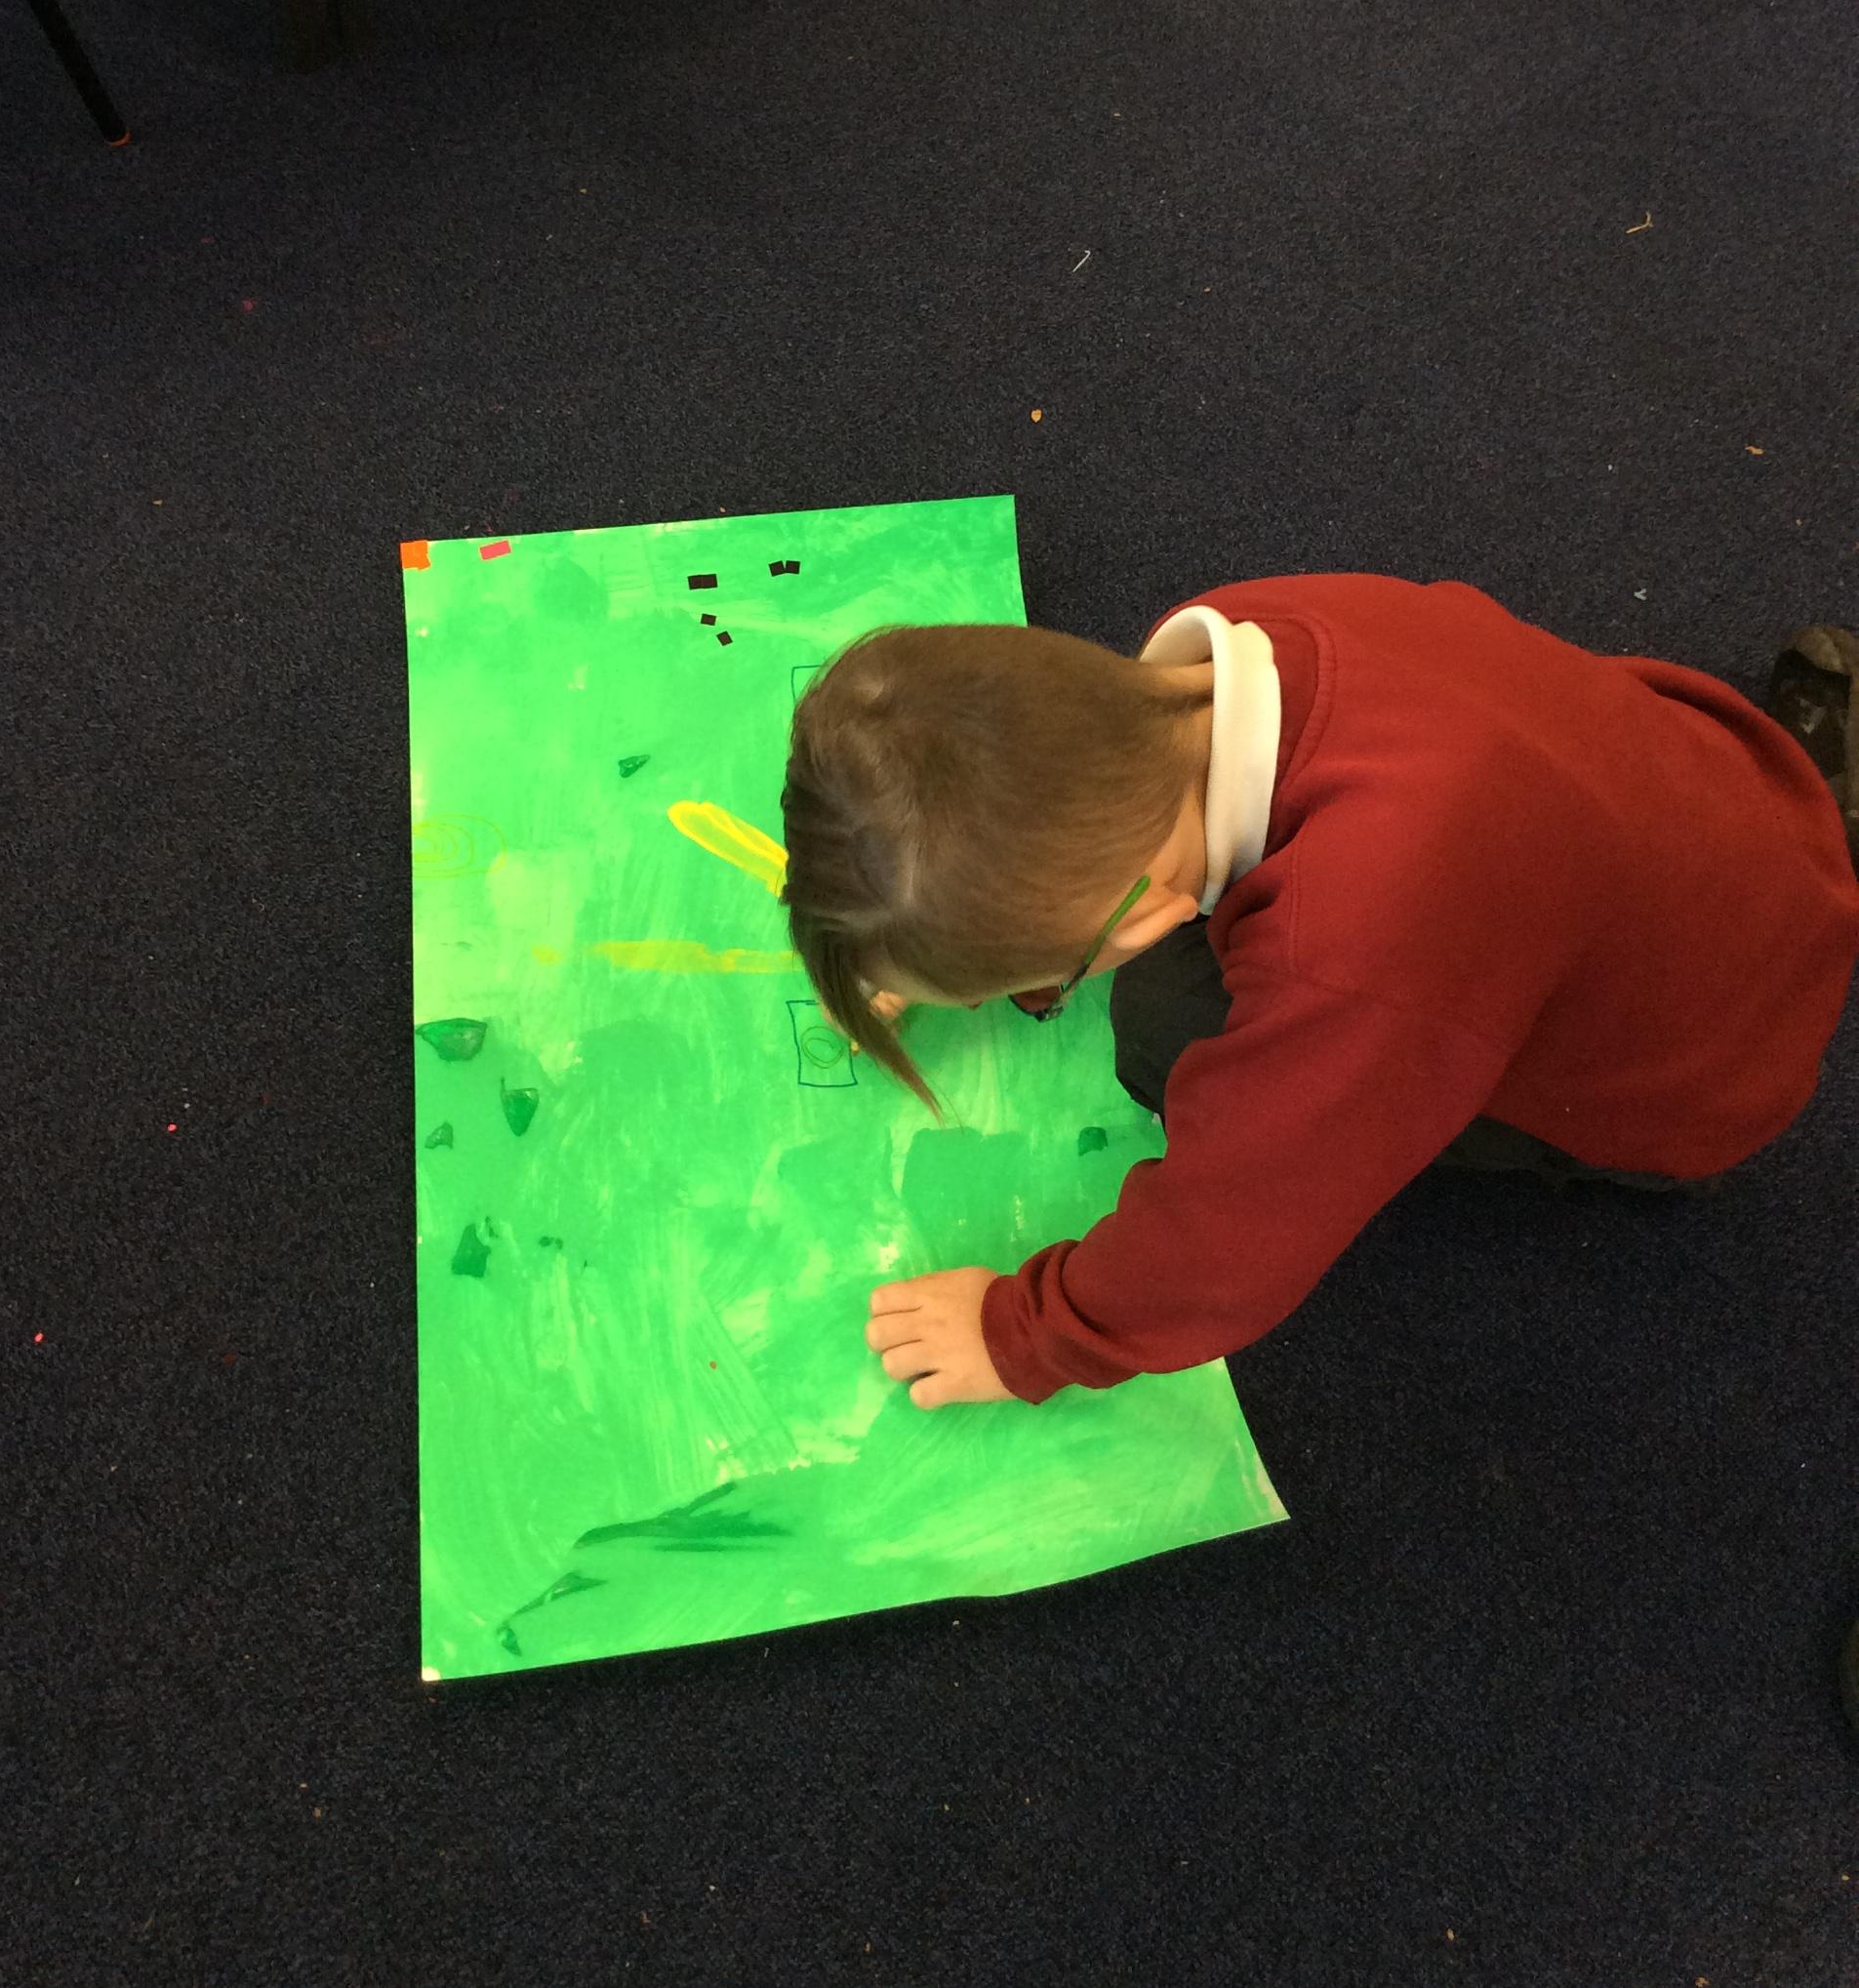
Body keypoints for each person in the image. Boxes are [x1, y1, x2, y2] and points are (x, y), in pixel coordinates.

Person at [778, 584, 1858, 1412]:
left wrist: (1021, 1333)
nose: (1007, 1003)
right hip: (1720, 792)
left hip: (1701, 1061)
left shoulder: (1352, 960)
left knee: (1162, 1041)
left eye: (1025, 989)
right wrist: (942, 935)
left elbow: (1224, 1246)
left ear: (1144, 915)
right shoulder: (1232, 641)